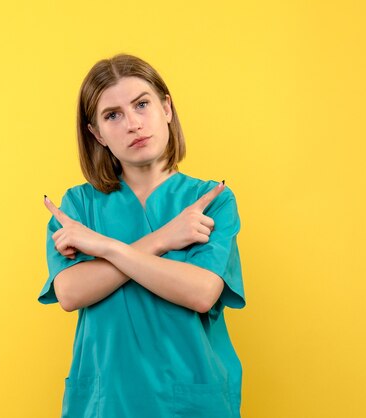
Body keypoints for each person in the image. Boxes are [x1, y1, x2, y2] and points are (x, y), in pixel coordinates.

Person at [38, 53, 246, 418]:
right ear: (96, 133)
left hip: (192, 401)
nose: (133, 123)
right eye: (112, 115)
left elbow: (200, 292)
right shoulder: (78, 205)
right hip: (106, 402)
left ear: (166, 108)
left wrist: (102, 248)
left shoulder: (210, 201)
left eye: (142, 104)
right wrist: (162, 238)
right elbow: (70, 292)